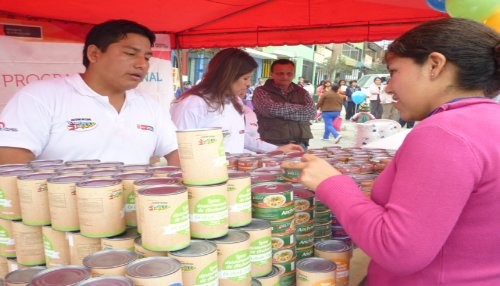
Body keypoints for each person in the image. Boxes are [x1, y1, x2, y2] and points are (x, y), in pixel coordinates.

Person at [282, 18, 500, 285]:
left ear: (435, 64)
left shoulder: (443, 132)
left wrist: (331, 183)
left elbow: (399, 251)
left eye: (394, 71)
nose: (388, 87)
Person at [0, 19, 180, 166]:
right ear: (94, 54)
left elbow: (177, 152)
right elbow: (10, 160)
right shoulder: (41, 96)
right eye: (130, 53)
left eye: (147, 57)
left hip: (135, 208)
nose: (142, 64)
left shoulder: (149, 104)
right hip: (64, 208)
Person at [170, 48, 303, 154]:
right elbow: (178, 150)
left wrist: (275, 149)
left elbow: (238, 137)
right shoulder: (192, 104)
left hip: (232, 177)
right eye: (245, 78)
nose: (248, 83)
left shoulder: (234, 102)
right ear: (228, 76)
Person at [252, 59, 316, 149]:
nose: (285, 77)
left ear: (294, 74)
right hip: (272, 144)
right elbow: (270, 110)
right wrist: (301, 109)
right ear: (271, 74)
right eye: (280, 73)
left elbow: (311, 113)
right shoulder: (260, 91)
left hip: (300, 144)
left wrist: (280, 109)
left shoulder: (302, 92)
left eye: (289, 74)